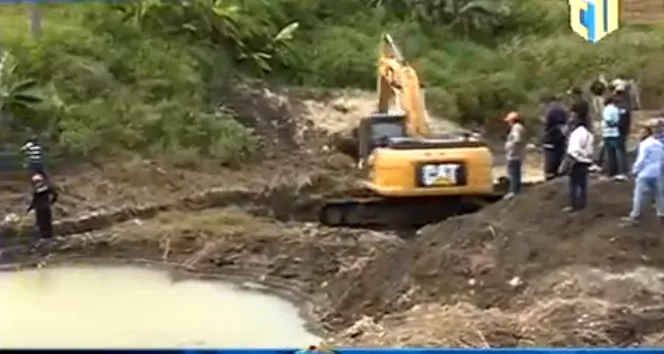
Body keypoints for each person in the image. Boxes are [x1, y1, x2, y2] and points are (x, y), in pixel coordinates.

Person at [621, 119, 664, 226]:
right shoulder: (659, 144)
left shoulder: (644, 144)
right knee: (660, 195)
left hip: (644, 173)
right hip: (657, 173)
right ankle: (661, 214)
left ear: (646, 132)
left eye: (641, 131)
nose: (639, 133)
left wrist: (634, 170)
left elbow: (641, 160)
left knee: (639, 195)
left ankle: (635, 216)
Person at [563, 116, 594, 212]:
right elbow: (591, 150)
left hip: (576, 160)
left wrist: (575, 156)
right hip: (586, 161)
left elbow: (574, 149)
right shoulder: (589, 134)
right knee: (582, 184)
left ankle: (575, 205)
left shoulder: (576, 134)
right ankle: (582, 205)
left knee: (574, 184)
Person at [601, 96, 628, 181]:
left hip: (609, 133)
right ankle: (622, 172)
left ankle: (612, 172)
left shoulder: (607, 109)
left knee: (611, 155)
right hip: (616, 133)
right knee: (619, 154)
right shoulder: (616, 109)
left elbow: (608, 121)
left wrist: (612, 125)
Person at [542, 96, 568, 180]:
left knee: (551, 164)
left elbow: (561, 127)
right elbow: (563, 127)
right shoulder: (562, 111)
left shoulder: (553, 112)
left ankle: (550, 179)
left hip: (551, 141)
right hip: (557, 141)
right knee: (557, 162)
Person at [26, 173, 58, 239]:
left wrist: (30, 208)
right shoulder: (47, 188)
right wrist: (51, 202)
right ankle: (49, 236)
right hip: (46, 208)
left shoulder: (36, 191)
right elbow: (55, 195)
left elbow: (34, 201)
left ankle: (44, 236)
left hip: (40, 209)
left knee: (41, 223)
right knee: (47, 222)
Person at [503, 111, 526, 200]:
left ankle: (514, 191)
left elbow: (517, 140)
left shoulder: (516, 128)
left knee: (513, 173)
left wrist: (511, 148)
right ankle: (516, 190)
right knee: (515, 172)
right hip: (516, 154)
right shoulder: (519, 128)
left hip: (514, 155)